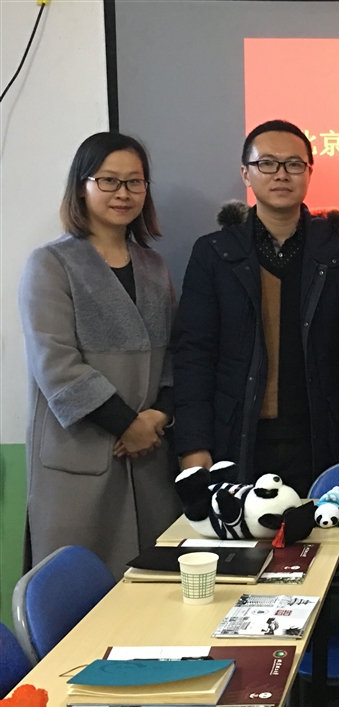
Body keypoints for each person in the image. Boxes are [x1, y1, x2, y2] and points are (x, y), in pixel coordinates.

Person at [175, 119, 339, 496]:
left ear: (309, 172)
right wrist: (193, 444)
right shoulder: (215, 253)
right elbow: (194, 354)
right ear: (246, 174)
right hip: (236, 437)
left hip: (321, 439)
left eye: (294, 164)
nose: (281, 174)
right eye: (267, 163)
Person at [19, 132, 180, 578]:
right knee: (77, 593)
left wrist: (158, 416)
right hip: (81, 459)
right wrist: (126, 424)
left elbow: (175, 355)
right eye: (108, 180)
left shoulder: (153, 266)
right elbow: (56, 365)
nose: (123, 193)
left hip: (147, 458)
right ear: (82, 186)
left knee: (153, 592)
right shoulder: (51, 263)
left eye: (135, 182)